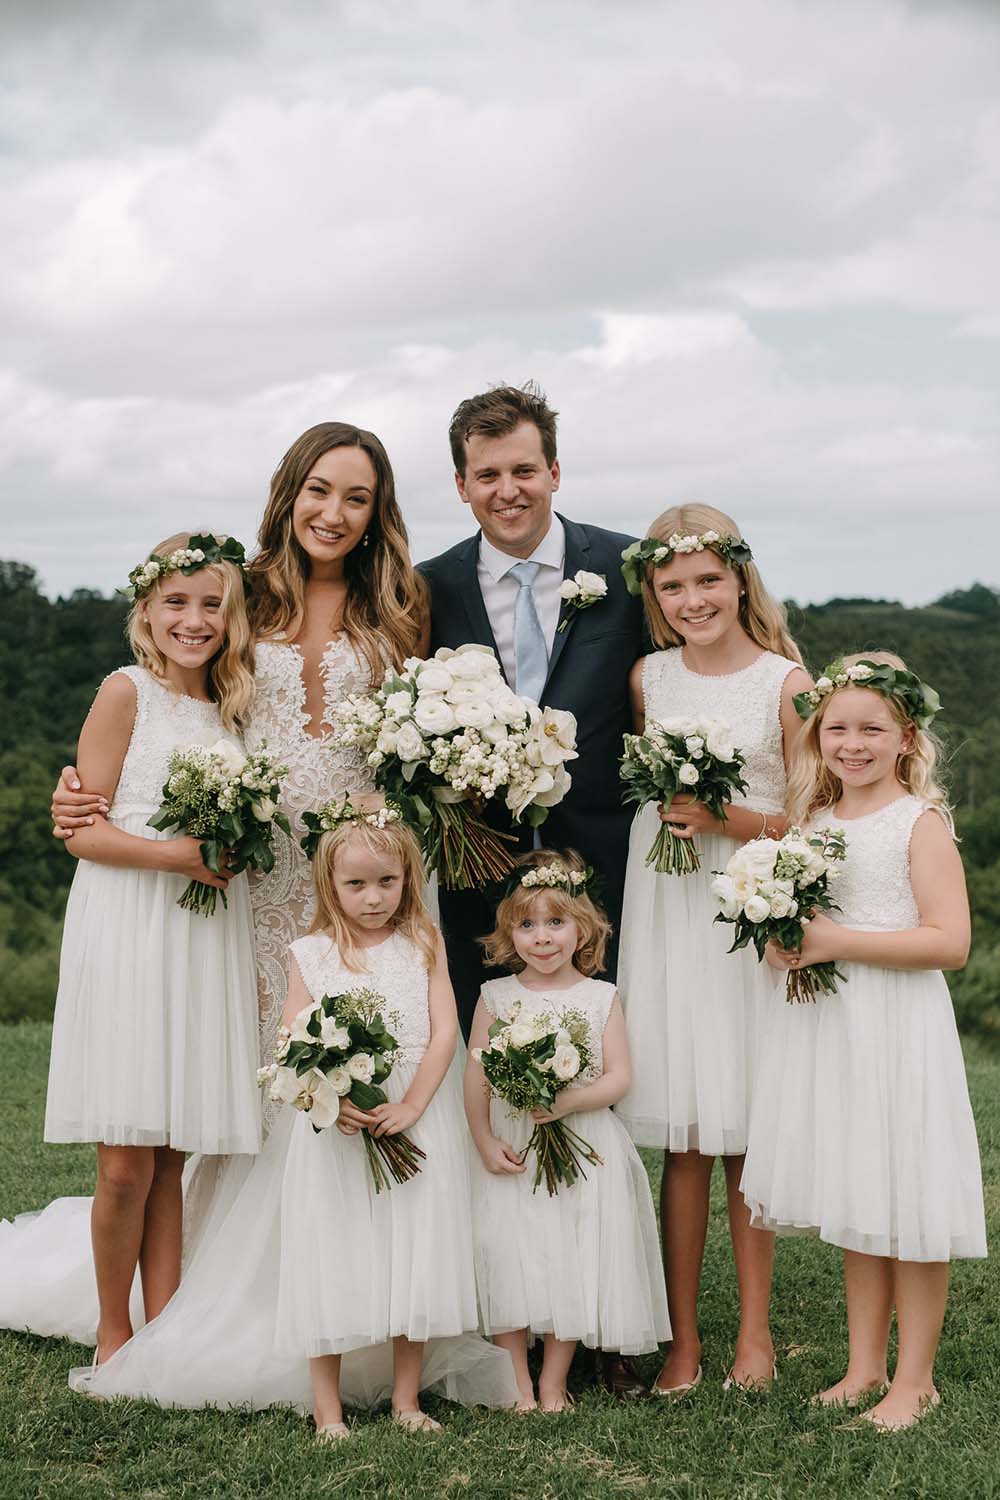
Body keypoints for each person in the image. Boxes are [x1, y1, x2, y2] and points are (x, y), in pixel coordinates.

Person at [42, 423, 430, 1340]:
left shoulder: (400, 609)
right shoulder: (238, 596)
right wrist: (82, 805)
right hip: (238, 882)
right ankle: (203, 1303)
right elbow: (171, 696)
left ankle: (353, 1291)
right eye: (319, 490)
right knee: (245, 1073)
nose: (333, 513)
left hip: (356, 870)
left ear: (378, 514)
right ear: (288, 492)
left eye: (358, 497)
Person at [72, 803, 517, 1431]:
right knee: (330, 1249)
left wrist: (415, 1102)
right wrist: (328, 1098)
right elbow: (292, 1035)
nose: (372, 897)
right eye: (356, 884)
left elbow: (446, 1028)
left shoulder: (423, 941)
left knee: (415, 1247)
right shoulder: (310, 952)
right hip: (335, 1123)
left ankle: (407, 1399)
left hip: (414, 1111)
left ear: (408, 880)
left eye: (386, 883)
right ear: (329, 885)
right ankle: (327, 1406)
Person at [418, 384, 646, 1396]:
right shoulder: (426, 588)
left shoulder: (626, 569)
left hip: (608, 864)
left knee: (597, 1071)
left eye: (523, 468)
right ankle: (500, 1305)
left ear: (553, 469)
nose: (507, 489)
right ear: (461, 484)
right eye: (486, 474)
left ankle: (598, 1316)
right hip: (478, 872)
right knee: (496, 1080)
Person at [0, 534, 261, 1364]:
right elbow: (84, 832)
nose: (194, 620)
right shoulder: (126, 692)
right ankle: (115, 1333)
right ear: (145, 609)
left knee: (173, 1150)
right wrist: (178, 855)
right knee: (124, 1162)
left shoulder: (232, 706)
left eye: (212, 604)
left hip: (202, 933)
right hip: (128, 926)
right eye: (177, 602)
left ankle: (168, 1326)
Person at [742, 652, 986, 1431]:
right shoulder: (813, 822)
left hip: (897, 1023)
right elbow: (808, 925)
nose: (852, 743)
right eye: (837, 727)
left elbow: (949, 942)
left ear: (906, 737)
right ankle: (862, 1367)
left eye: (872, 729)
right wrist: (784, 941)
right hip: (833, 1026)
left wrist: (836, 939)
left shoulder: (919, 823)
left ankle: (915, 1380)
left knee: (906, 1192)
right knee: (863, 1188)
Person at [615, 504, 812, 1396]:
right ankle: (684, 1340)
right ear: (654, 595)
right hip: (667, 905)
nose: (693, 599)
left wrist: (726, 817)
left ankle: (758, 1337)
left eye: (707, 580)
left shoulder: (786, 683)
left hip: (747, 909)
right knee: (686, 1136)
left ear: (739, 579)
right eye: (673, 585)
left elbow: (812, 820)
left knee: (744, 1130)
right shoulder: (648, 678)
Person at [465, 850, 669, 1413]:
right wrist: (483, 1139)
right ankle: (516, 1382)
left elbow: (619, 1077)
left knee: (574, 1254)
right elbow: (477, 1075)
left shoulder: (600, 998)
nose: (542, 937)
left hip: (583, 1148)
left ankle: (554, 1379)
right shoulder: (496, 996)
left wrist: (569, 1099)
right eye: (526, 925)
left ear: (583, 925)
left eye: (555, 922)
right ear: (509, 931)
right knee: (508, 1252)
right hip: (514, 1145)